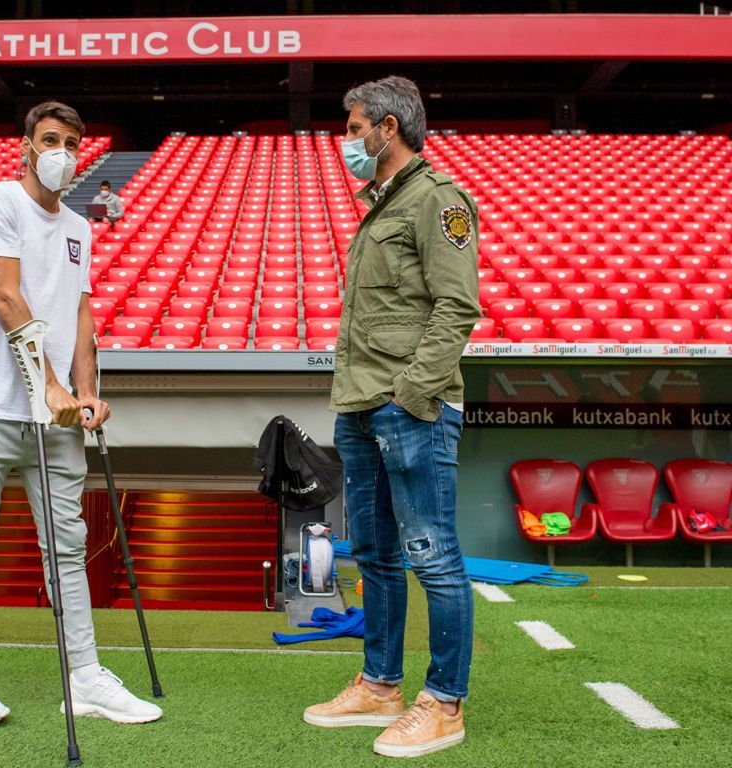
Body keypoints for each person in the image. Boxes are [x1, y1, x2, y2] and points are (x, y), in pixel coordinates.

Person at [0, 101, 162, 729]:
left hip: (58, 419)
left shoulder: (79, 226)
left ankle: (86, 675)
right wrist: (48, 385)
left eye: (71, 141)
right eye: (50, 139)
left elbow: (81, 313)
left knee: (68, 546)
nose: (61, 150)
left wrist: (85, 390)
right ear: (27, 147)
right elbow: (7, 295)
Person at [304, 76, 481, 758]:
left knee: (432, 555)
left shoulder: (439, 202)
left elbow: (455, 307)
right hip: (359, 405)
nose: (346, 141)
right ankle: (380, 685)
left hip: (410, 407)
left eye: (353, 129)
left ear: (388, 128)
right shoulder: (378, 208)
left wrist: (410, 395)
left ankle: (444, 703)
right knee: (375, 554)